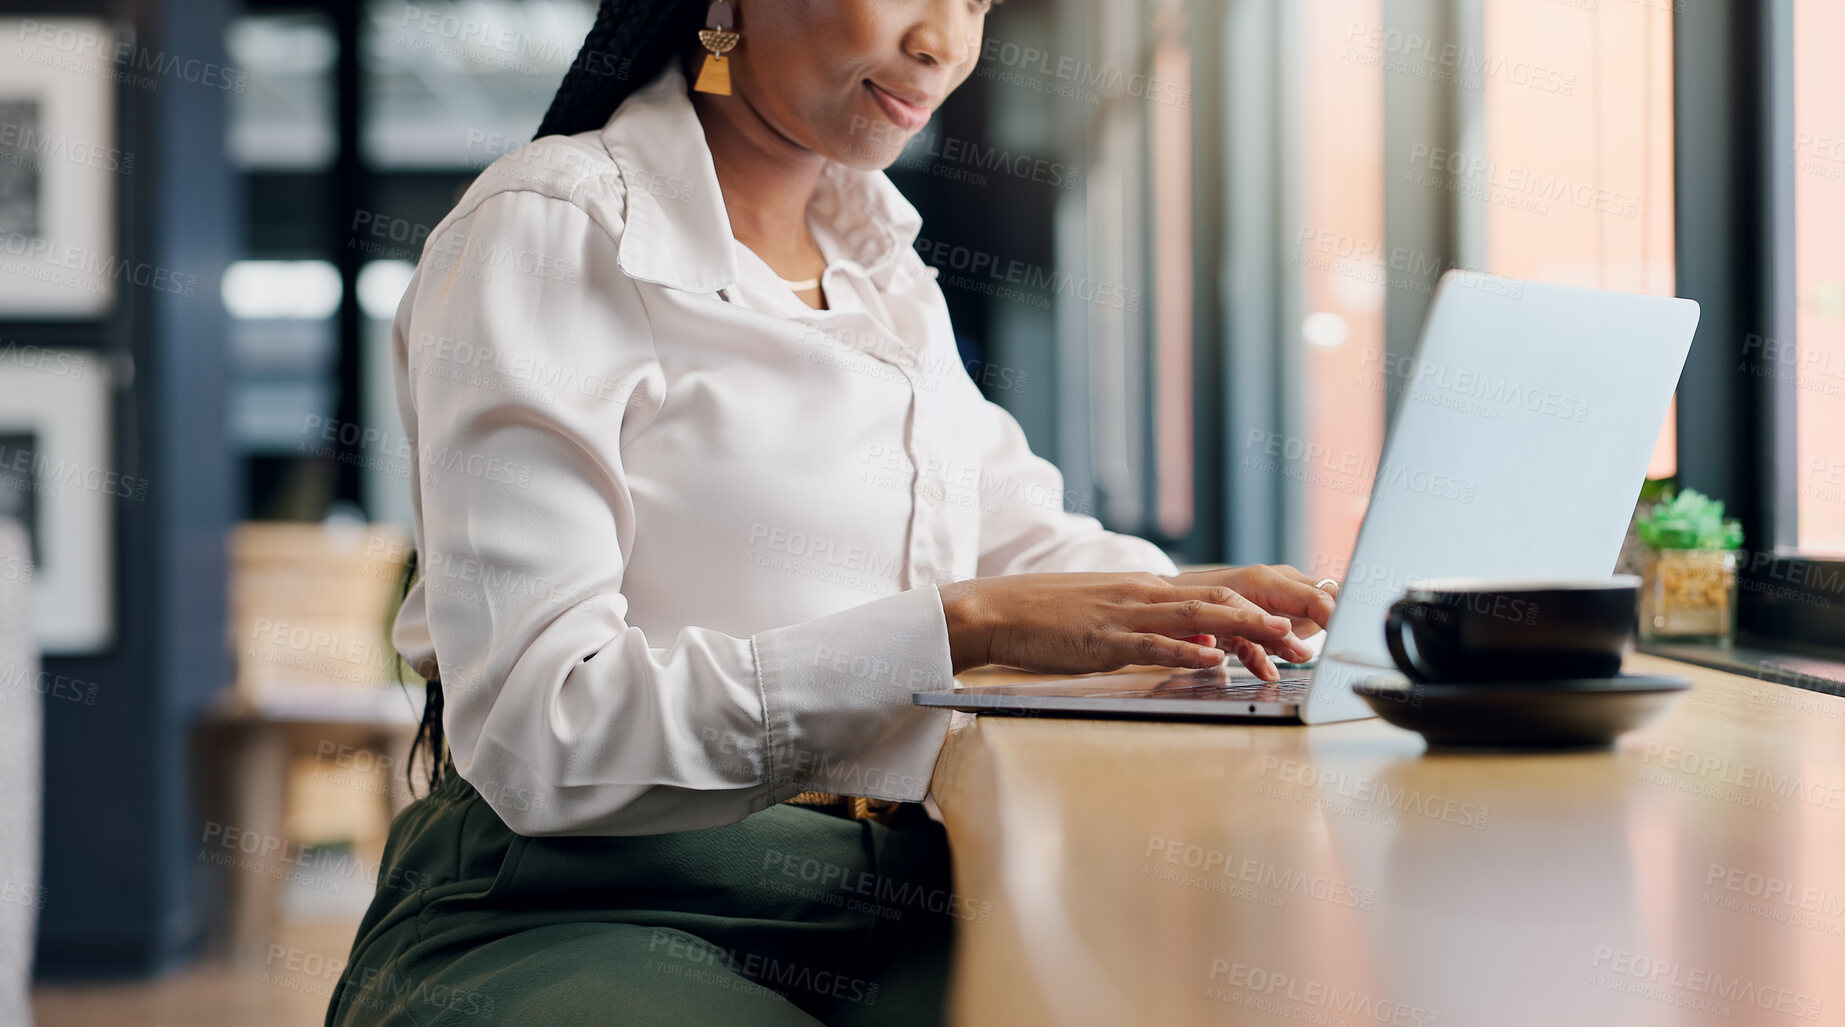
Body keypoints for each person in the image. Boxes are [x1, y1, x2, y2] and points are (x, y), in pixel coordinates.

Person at [326, 1, 1338, 1022]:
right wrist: (959, 628)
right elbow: (542, 734)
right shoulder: (554, 228)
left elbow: (1023, 535)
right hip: (578, 906)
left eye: (977, 1)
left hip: (890, 892)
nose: (946, 42)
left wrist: (1216, 611)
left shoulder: (884, 274)